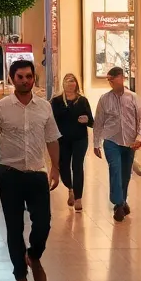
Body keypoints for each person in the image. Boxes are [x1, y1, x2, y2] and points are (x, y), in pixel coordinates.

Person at [0, 60, 61, 281]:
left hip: (37, 173)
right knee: (14, 228)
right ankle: (20, 277)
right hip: (10, 174)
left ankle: (34, 255)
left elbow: (52, 139)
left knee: (43, 223)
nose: (25, 80)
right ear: (11, 78)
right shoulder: (1, 108)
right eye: (20, 77)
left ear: (33, 78)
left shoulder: (45, 107)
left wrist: (56, 168)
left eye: (29, 76)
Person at [92, 66, 141, 222]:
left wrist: (140, 137)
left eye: (113, 79)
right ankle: (118, 204)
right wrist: (96, 143)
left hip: (130, 142)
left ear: (121, 78)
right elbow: (99, 122)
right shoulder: (104, 99)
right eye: (108, 80)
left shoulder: (133, 97)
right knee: (115, 170)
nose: (110, 82)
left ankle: (122, 200)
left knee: (125, 173)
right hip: (111, 140)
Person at [50, 72, 93, 211]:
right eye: (67, 81)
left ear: (76, 84)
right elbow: (51, 121)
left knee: (77, 166)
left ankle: (79, 198)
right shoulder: (56, 101)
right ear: (63, 84)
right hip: (62, 140)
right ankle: (70, 188)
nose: (70, 84)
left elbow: (92, 121)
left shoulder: (82, 101)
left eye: (72, 81)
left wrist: (87, 120)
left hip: (80, 139)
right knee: (64, 166)